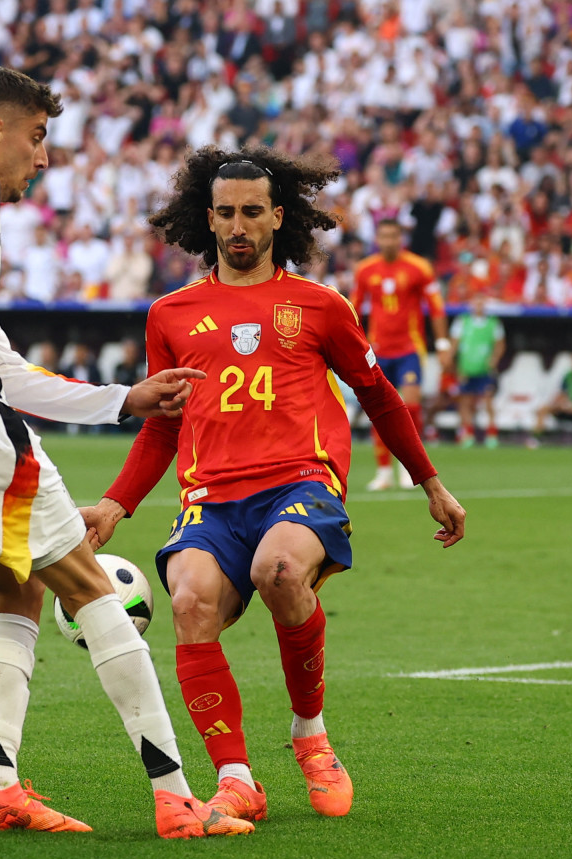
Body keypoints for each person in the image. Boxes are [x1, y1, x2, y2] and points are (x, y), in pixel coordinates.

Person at [0, 67, 251, 839]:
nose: (45, 157)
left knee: (15, 590)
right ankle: (176, 797)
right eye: (38, 135)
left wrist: (123, 399)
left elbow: (10, 372)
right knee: (92, 587)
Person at [80, 148, 467, 823]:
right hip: (211, 497)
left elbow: (379, 397)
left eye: (252, 212)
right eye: (226, 212)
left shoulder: (320, 306)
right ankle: (236, 778)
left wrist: (430, 482)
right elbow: (162, 427)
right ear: (209, 218)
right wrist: (117, 503)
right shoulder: (170, 313)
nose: (238, 225)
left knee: (280, 569)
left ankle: (310, 735)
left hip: (300, 482)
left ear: (277, 217)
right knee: (191, 601)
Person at [351, 218, 449, 490]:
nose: (389, 241)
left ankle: (411, 469)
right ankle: (383, 472)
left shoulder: (418, 267)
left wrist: (441, 345)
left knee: (412, 407)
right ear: (377, 239)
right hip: (378, 351)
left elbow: (437, 307)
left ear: (400, 239)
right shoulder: (365, 270)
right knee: (378, 412)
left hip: (409, 349)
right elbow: (353, 310)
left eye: (394, 236)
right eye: (384, 236)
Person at [449, 294, 506, 448]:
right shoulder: (462, 321)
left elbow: (500, 345)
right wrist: (451, 362)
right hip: (466, 368)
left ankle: (492, 434)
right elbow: (454, 344)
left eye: (481, 302)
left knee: (487, 399)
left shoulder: (493, 323)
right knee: (465, 401)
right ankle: (468, 434)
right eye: (476, 302)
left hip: (484, 368)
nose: (479, 305)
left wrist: (494, 359)